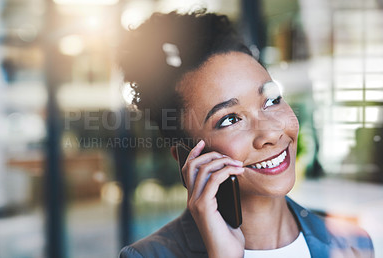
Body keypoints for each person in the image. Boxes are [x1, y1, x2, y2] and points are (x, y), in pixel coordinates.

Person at [117, 10, 374, 258]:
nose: (271, 133)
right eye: (230, 119)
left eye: (271, 100)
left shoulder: (352, 245)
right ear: (186, 156)